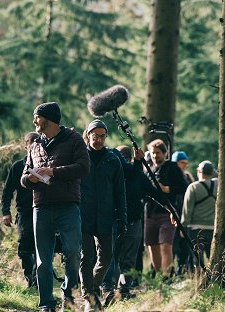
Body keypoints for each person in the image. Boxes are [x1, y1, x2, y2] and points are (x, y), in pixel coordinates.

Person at [20, 102, 90, 312]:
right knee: (43, 260)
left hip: (68, 206)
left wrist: (53, 172)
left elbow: (84, 167)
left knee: (73, 253)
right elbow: (23, 177)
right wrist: (30, 179)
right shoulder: (34, 145)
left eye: (37, 117)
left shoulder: (74, 139)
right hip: (41, 207)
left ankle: (68, 294)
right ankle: (46, 304)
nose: (34, 121)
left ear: (48, 119)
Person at [102, 146, 163, 304]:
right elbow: (153, 192)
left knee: (114, 257)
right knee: (124, 257)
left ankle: (114, 289)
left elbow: (151, 192)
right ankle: (119, 288)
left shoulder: (116, 173)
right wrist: (169, 206)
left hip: (122, 220)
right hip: (127, 221)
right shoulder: (132, 174)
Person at [79, 120, 126, 311]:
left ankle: (93, 286)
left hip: (106, 216)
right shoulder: (80, 157)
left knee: (106, 255)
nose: (98, 139)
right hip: (83, 214)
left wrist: (122, 216)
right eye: (95, 135)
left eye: (102, 135)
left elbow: (120, 191)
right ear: (88, 135)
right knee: (86, 256)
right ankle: (89, 297)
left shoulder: (113, 159)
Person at [143, 139, 188, 277]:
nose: (155, 156)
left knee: (165, 245)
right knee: (152, 245)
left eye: (158, 153)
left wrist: (167, 189)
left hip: (167, 213)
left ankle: (166, 276)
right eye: (153, 153)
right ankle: (157, 276)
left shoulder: (173, 168)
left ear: (165, 153)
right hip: (150, 213)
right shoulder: (150, 170)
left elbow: (184, 187)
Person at [1, 132, 40, 288]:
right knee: (24, 249)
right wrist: (5, 212)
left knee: (42, 248)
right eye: (31, 143)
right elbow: (7, 192)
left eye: (37, 143)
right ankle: (30, 280)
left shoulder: (45, 165)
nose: (34, 146)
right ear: (26, 145)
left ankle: (38, 282)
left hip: (44, 212)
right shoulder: (18, 167)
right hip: (24, 213)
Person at [181, 160, 217, 268]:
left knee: (197, 258)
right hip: (213, 227)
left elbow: (187, 210)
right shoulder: (219, 184)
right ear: (212, 172)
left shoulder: (193, 187)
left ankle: (198, 280)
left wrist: (183, 226)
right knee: (213, 257)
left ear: (198, 171)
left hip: (196, 229)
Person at [171, 150, 194, 274]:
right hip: (174, 214)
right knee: (173, 245)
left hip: (186, 215)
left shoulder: (188, 177)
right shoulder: (171, 177)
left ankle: (183, 270)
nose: (184, 165)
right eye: (181, 163)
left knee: (185, 246)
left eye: (186, 163)